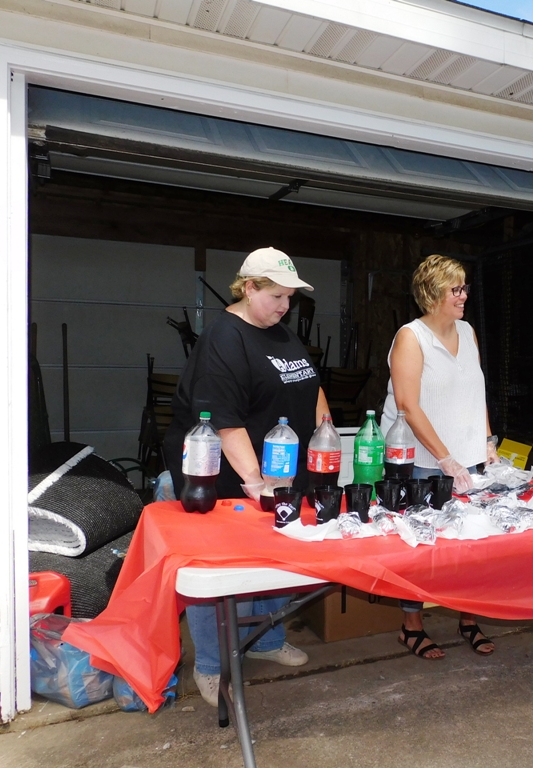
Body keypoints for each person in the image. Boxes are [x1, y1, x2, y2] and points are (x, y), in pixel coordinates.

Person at [163, 246, 331, 705]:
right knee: (219, 569)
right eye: (276, 296)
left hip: (282, 467)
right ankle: (211, 663)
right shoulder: (223, 337)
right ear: (249, 287)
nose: (285, 306)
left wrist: (326, 434)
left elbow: (310, 384)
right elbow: (225, 422)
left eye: (290, 298)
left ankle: (267, 641)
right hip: (224, 474)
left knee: (276, 558)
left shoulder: (280, 331)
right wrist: (257, 484)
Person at [382, 254, 500, 660]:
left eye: (464, 287)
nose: (464, 295)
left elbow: (476, 392)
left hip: (467, 458)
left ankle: (469, 619)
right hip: (420, 461)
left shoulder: (467, 332)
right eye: (456, 289)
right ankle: (411, 627)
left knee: (472, 543)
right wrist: (445, 458)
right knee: (420, 545)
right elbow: (407, 406)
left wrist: (488, 440)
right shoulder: (411, 338)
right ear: (433, 295)